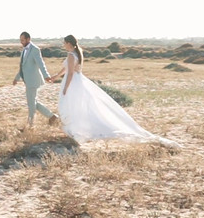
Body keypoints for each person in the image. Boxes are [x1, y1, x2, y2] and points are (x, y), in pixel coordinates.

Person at [51, 35, 181, 147]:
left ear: (69, 43)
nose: (63, 45)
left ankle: (76, 131)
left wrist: (66, 87)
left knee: (72, 106)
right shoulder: (76, 53)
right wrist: (55, 77)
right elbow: (66, 70)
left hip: (73, 83)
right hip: (79, 81)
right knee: (79, 106)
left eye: (64, 43)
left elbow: (70, 74)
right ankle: (76, 130)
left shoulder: (71, 55)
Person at [12, 32, 59, 127]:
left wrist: (46, 76)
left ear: (28, 39)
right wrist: (16, 78)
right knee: (33, 103)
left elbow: (41, 64)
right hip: (28, 81)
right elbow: (23, 67)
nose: (21, 42)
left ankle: (30, 125)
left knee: (31, 104)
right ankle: (52, 116)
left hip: (33, 81)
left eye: (23, 40)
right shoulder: (24, 50)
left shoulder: (35, 50)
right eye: (20, 40)